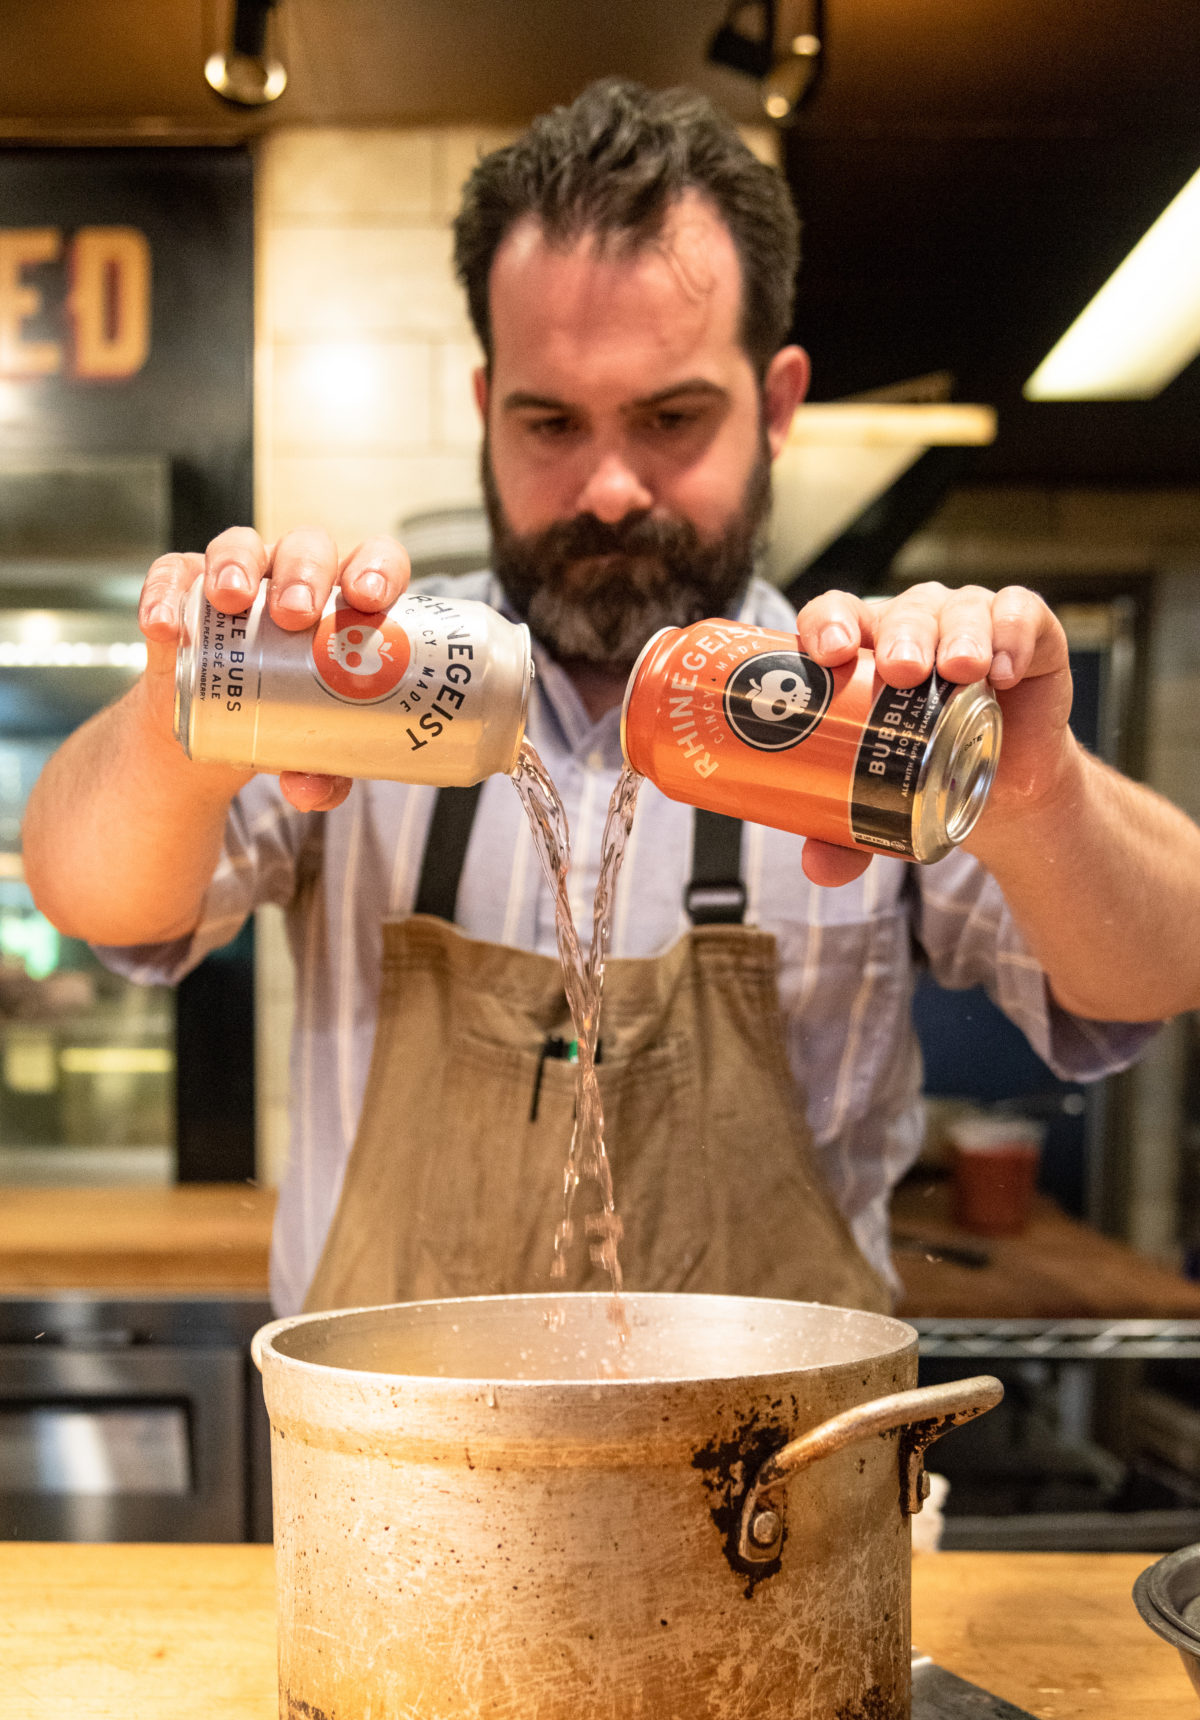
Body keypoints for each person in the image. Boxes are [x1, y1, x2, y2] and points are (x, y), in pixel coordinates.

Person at [22, 81, 1200, 1318]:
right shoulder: (365, 674)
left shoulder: (864, 700)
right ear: (485, 412)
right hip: (401, 1492)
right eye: (550, 422)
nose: (608, 486)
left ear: (779, 403)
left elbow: (1157, 969)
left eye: (671, 417)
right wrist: (186, 711)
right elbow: (92, 890)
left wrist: (1036, 792)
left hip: (769, 1491)